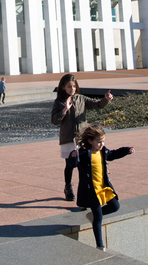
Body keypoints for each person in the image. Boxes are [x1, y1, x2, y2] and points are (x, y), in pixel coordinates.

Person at [67, 124, 134, 251]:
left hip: (103, 186)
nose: (101, 144)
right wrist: (73, 156)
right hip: (90, 189)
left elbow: (113, 154)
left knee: (115, 206)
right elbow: (72, 164)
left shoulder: (102, 151)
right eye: (99, 142)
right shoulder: (83, 153)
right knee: (98, 217)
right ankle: (100, 245)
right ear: (90, 141)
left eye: (103, 141)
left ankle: (92, 216)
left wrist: (126, 150)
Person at [51, 73, 113, 201]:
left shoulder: (81, 99)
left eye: (73, 86)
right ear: (63, 87)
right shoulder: (59, 102)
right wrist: (64, 110)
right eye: (69, 87)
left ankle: (84, 190)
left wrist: (105, 99)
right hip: (68, 139)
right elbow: (54, 121)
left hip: (82, 138)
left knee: (83, 165)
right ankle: (68, 187)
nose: (72, 89)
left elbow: (97, 105)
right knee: (70, 165)